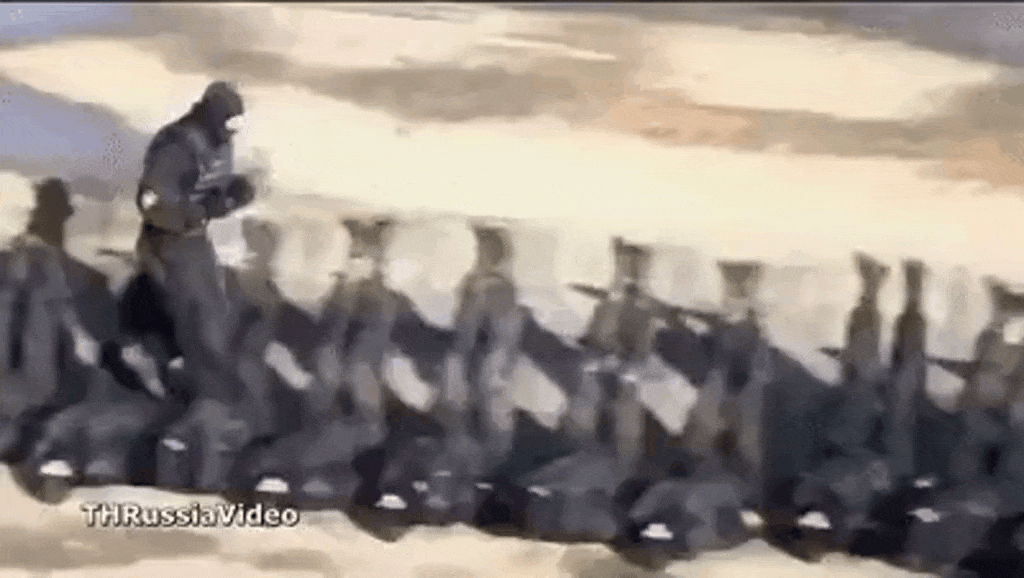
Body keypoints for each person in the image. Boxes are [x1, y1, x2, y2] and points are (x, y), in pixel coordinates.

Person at [133, 80, 257, 363]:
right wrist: (198, 211)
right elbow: (151, 202)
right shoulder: (177, 145)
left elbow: (213, 190)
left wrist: (234, 193)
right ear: (211, 113)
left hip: (193, 238)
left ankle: (205, 363)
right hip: (165, 240)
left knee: (213, 308)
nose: (231, 130)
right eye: (227, 120)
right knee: (187, 312)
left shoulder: (219, 143)